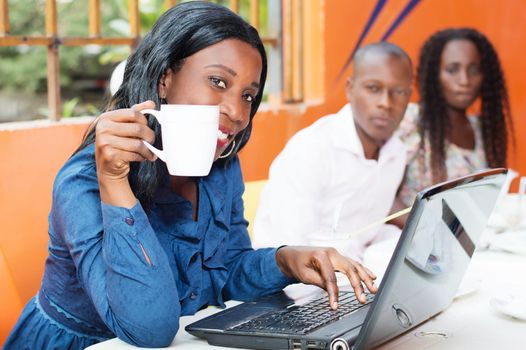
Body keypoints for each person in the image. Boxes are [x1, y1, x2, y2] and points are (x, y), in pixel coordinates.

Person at [4, 2, 377, 349]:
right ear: (165, 79)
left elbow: (228, 270)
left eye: (249, 94)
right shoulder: (85, 181)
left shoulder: (221, 165)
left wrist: (287, 260)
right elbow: (149, 329)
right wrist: (115, 183)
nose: (236, 111)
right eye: (218, 82)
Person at [252, 42, 413, 261]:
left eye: (399, 92)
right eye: (373, 88)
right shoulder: (312, 150)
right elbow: (294, 251)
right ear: (350, 89)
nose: (386, 103)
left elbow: (366, 232)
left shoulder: (396, 153)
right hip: (292, 284)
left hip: (356, 272)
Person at [397, 28, 514, 207]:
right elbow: (382, 198)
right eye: (452, 70)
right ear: (434, 75)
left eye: (474, 70)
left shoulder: (481, 129)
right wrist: (425, 229)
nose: (465, 80)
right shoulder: (412, 121)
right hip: (416, 234)